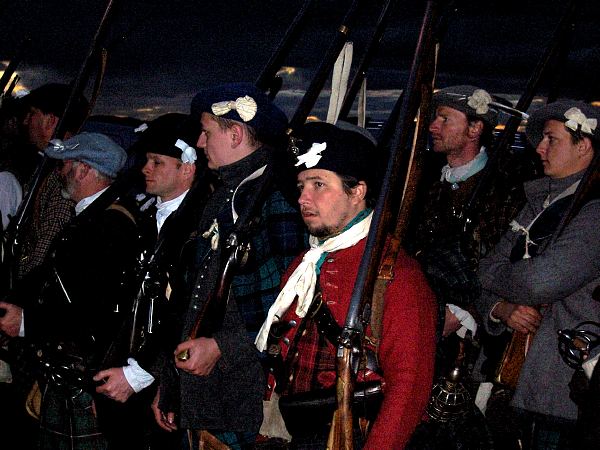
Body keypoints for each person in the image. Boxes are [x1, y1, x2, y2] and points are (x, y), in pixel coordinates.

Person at [254, 121, 438, 449]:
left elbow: (409, 387)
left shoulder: (397, 275)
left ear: (357, 192)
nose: (303, 198)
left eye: (318, 184)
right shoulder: (303, 264)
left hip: (354, 437)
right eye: (301, 186)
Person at [152, 82, 308, 449]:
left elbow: (291, 304)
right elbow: (194, 299)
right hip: (206, 392)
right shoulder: (224, 194)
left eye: (207, 132)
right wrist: (171, 382)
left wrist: (223, 346)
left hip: (243, 398)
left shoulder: (276, 198)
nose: (200, 143)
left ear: (235, 134)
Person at [0, 132, 142, 449]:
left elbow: (96, 309)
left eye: (65, 164)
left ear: (84, 169)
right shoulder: (91, 218)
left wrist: (26, 322)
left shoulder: (110, 225)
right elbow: (53, 278)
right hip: (71, 369)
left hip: (85, 371)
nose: (60, 171)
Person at [476, 100, 600, 449]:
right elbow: (483, 270)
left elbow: (540, 282)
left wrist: (497, 276)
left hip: (560, 390)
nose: (540, 149)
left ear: (583, 146)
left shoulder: (594, 212)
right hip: (512, 376)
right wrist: (500, 308)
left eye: (551, 139)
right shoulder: (538, 202)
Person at [92, 112, 210, 449]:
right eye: (146, 160)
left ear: (187, 169)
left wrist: (140, 373)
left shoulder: (200, 228)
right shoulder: (144, 219)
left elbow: (187, 311)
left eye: (157, 161)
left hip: (165, 377)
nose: (146, 168)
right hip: (125, 372)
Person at [15, 82, 90, 279]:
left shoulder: (64, 174)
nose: (26, 121)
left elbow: (44, 253)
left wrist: (20, 286)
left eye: (33, 114)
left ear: (50, 121)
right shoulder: (49, 166)